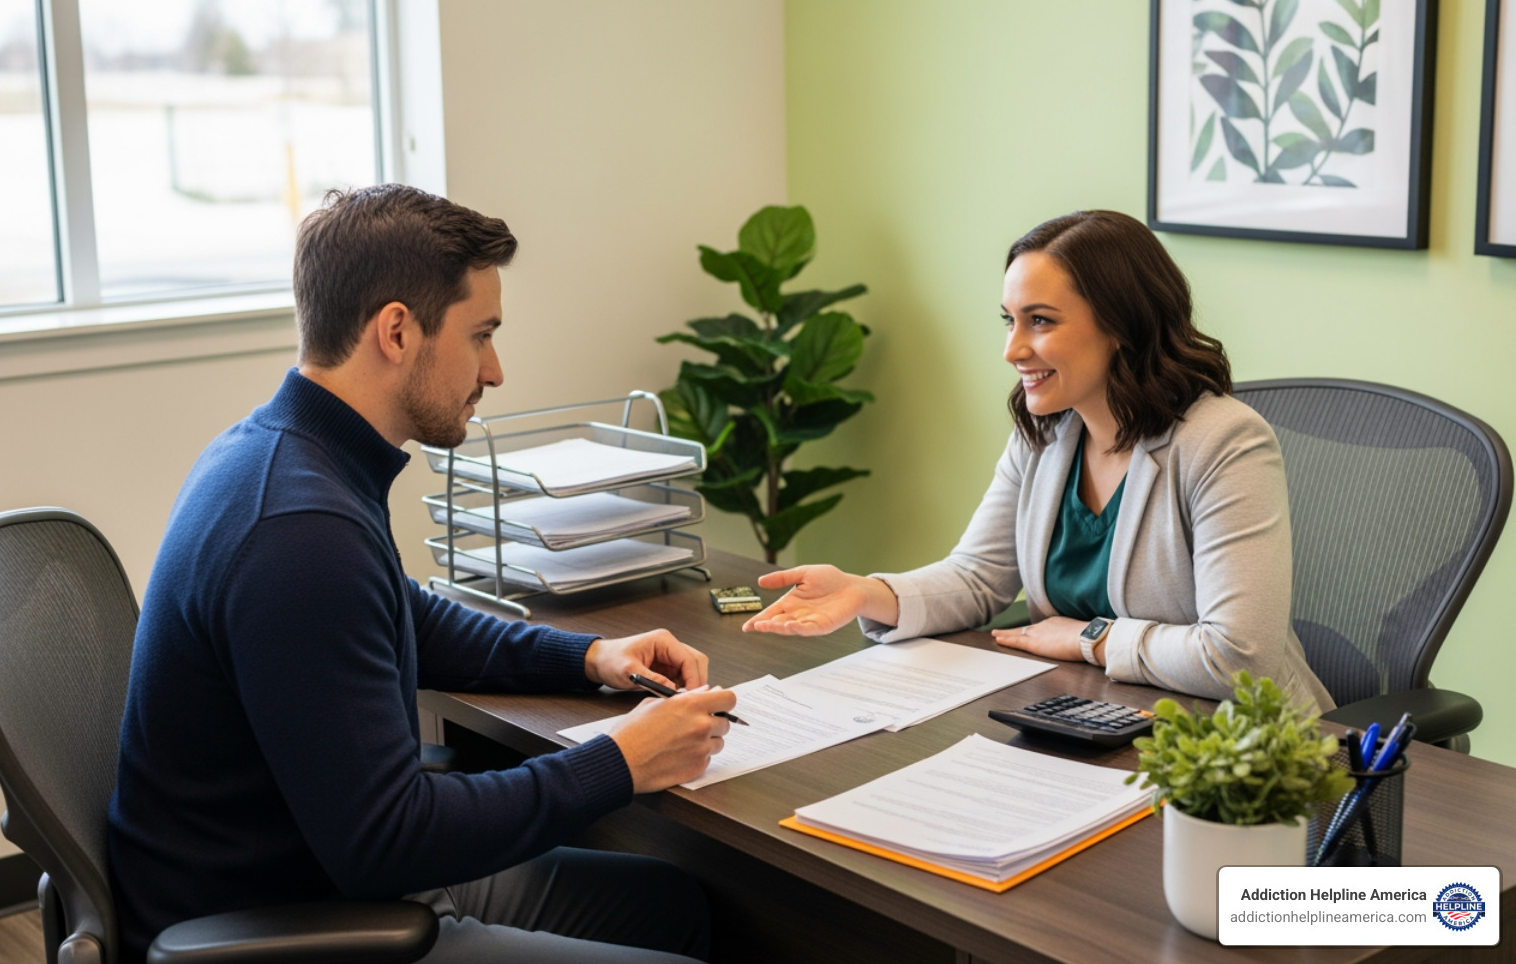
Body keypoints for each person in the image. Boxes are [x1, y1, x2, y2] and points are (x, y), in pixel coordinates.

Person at [107, 184, 736, 964]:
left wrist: (588, 657)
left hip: (318, 870)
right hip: (288, 922)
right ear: (398, 331)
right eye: (481, 335)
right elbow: (387, 840)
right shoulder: (299, 533)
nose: (495, 370)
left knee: (673, 907)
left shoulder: (278, 452)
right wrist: (618, 763)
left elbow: (398, 612)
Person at [742, 209, 1332, 715]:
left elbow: (1237, 658)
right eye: (1010, 319)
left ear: (1121, 326)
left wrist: (1089, 639)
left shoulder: (1225, 442)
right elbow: (978, 577)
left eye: (1040, 320)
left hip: (1240, 751)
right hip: (1092, 716)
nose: (1012, 349)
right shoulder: (1046, 432)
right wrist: (864, 592)